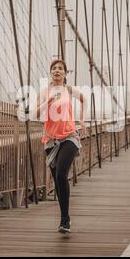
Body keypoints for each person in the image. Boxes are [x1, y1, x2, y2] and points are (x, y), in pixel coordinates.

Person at [36, 59, 87, 234]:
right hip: (50, 140)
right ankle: (65, 216)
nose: (57, 71)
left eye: (60, 69)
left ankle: (65, 220)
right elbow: (36, 114)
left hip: (70, 137)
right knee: (58, 181)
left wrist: (81, 118)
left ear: (65, 73)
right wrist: (48, 102)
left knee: (60, 174)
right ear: (51, 73)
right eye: (54, 68)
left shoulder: (69, 90)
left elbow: (83, 99)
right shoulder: (44, 93)